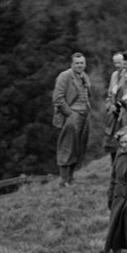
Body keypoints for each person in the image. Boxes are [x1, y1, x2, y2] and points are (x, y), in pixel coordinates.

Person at [51, 52, 92, 186]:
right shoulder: (65, 76)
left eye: (82, 63)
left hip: (84, 115)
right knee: (67, 146)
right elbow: (57, 97)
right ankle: (64, 180)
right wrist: (69, 113)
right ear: (72, 64)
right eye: (77, 63)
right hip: (72, 115)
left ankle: (71, 178)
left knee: (78, 146)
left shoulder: (84, 77)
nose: (80, 65)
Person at [103, 52, 126, 160]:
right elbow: (110, 94)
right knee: (112, 142)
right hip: (112, 116)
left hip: (123, 114)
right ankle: (114, 167)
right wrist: (108, 105)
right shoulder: (114, 75)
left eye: (119, 62)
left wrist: (119, 106)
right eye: (115, 63)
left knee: (122, 142)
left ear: (124, 62)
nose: (117, 65)